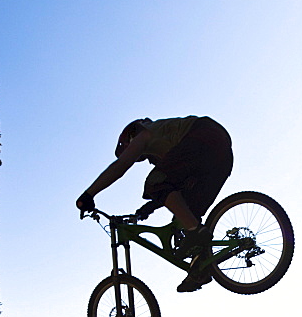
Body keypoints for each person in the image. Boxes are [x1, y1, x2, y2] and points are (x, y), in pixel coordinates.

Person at [76, 116, 233, 292]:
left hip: (203, 136)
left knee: (154, 183)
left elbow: (120, 167)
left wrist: (89, 194)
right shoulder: (170, 139)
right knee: (186, 214)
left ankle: (196, 233)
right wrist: (150, 206)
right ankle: (200, 268)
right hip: (221, 154)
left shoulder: (144, 133)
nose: (150, 161)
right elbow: (172, 185)